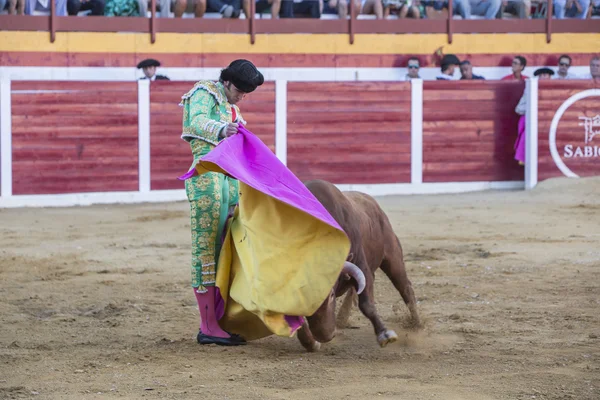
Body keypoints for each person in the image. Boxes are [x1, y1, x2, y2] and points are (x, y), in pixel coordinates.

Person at [179, 59, 264, 346]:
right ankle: (208, 327)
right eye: (239, 89)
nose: (242, 96)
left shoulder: (233, 108)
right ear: (226, 82)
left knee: (229, 246)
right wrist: (222, 129)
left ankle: (221, 319)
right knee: (207, 248)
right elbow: (196, 121)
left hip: (230, 181)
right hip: (206, 178)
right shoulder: (204, 92)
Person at [513, 67, 554, 166]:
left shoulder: (554, 88)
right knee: (527, 126)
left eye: (545, 75)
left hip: (549, 119)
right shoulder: (530, 88)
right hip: (535, 119)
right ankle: (523, 156)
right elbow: (519, 109)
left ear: (550, 77)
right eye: (541, 76)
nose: (543, 77)